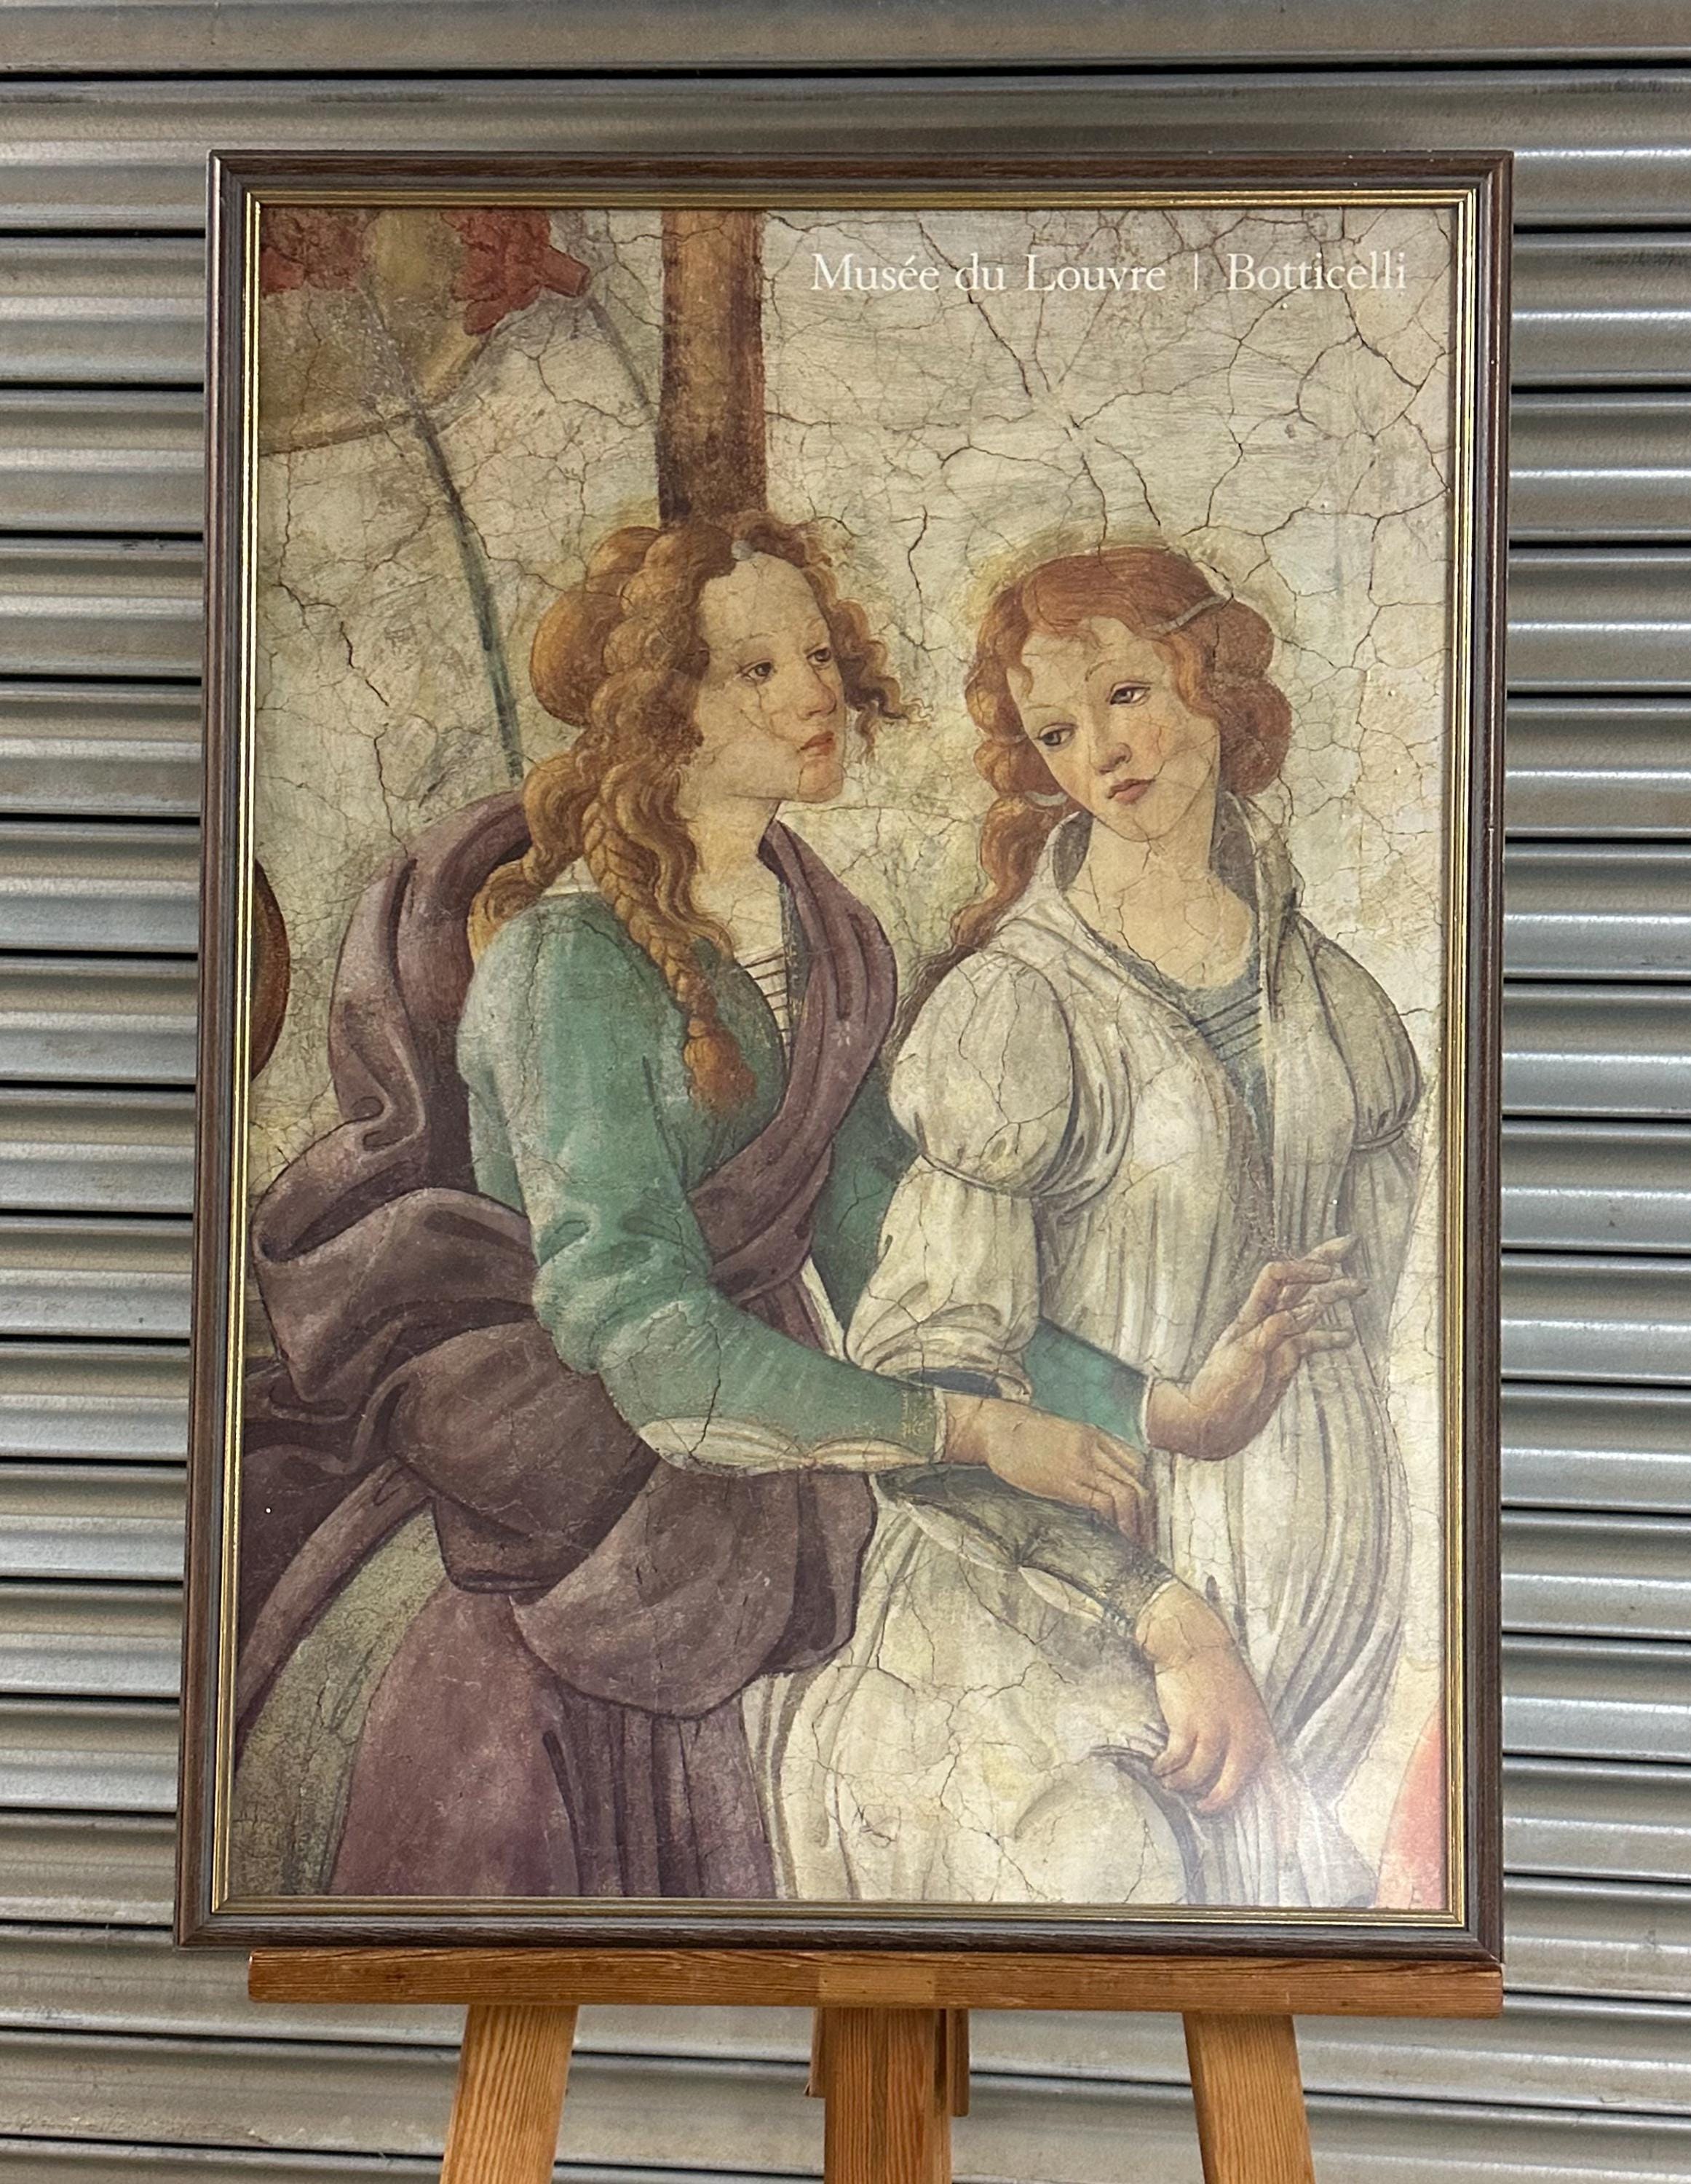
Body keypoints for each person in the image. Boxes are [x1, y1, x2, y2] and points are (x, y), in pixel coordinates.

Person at [231, 513, 1294, 1902]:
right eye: (757, 670)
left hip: (810, 1423)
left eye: (820, 656)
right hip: (593, 1488)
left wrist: (1154, 1407)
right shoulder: (567, 966)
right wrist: (969, 1429)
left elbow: (896, 1273)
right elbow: (646, 1337)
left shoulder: (831, 945)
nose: (815, 693)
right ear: (657, 710)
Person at [763, 542, 1422, 1908]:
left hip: (1296, 1678)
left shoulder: (1340, 1005)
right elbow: (928, 1383)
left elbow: (1373, 1328)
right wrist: (1164, 1600)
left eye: (1127, 695)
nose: (1102, 753)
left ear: (1216, 685)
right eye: (1057, 732)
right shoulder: (1017, 1012)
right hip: (1039, 1666)